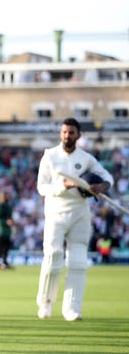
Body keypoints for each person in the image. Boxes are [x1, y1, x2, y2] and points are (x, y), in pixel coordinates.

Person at [36, 117, 112, 321]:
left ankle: (72, 308)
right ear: (60, 134)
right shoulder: (50, 156)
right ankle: (45, 303)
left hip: (80, 213)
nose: (67, 136)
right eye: (64, 132)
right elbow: (41, 187)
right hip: (55, 213)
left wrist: (101, 187)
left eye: (71, 132)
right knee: (52, 259)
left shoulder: (86, 158)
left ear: (78, 135)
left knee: (78, 262)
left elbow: (107, 177)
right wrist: (64, 185)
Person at [0, 190, 14, 270]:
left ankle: (4, 262)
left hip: (7, 230)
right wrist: (6, 221)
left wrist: (11, 222)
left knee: (6, 247)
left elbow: (10, 216)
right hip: (0, 230)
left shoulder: (8, 206)